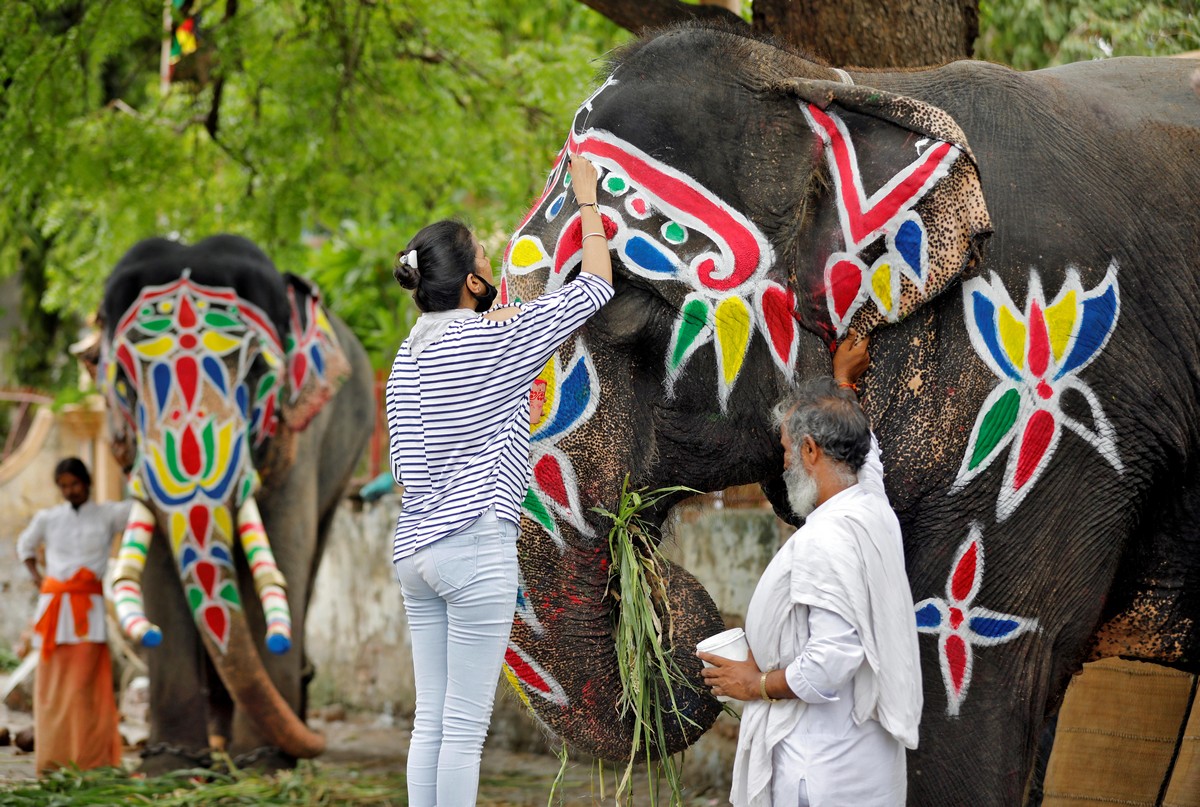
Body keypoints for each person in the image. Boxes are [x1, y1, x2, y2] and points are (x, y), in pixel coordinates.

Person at [385, 154, 613, 807]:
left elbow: (403, 465)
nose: (491, 267)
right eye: (483, 256)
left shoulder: (409, 357)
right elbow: (594, 288)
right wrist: (588, 204)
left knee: (431, 720)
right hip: (474, 544)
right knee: (462, 728)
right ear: (471, 279)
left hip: (415, 552)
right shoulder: (491, 347)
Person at [698, 332, 923, 807]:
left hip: (822, 773)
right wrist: (842, 384)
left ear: (812, 452)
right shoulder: (870, 505)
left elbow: (829, 664)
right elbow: (869, 458)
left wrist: (753, 685)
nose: (783, 463)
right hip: (861, 765)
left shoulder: (829, 538)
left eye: (786, 450)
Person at [16, 457, 131, 774]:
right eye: (64, 486)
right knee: (52, 691)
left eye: (75, 484)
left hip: (88, 613)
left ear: (87, 482)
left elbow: (140, 507)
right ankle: (54, 759)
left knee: (85, 688)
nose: (70, 491)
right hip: (54, 610)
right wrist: (38, 579)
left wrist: (128, 465)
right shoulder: (48, 518)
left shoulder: (108, 513)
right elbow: (24, 546)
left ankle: (90, 760)